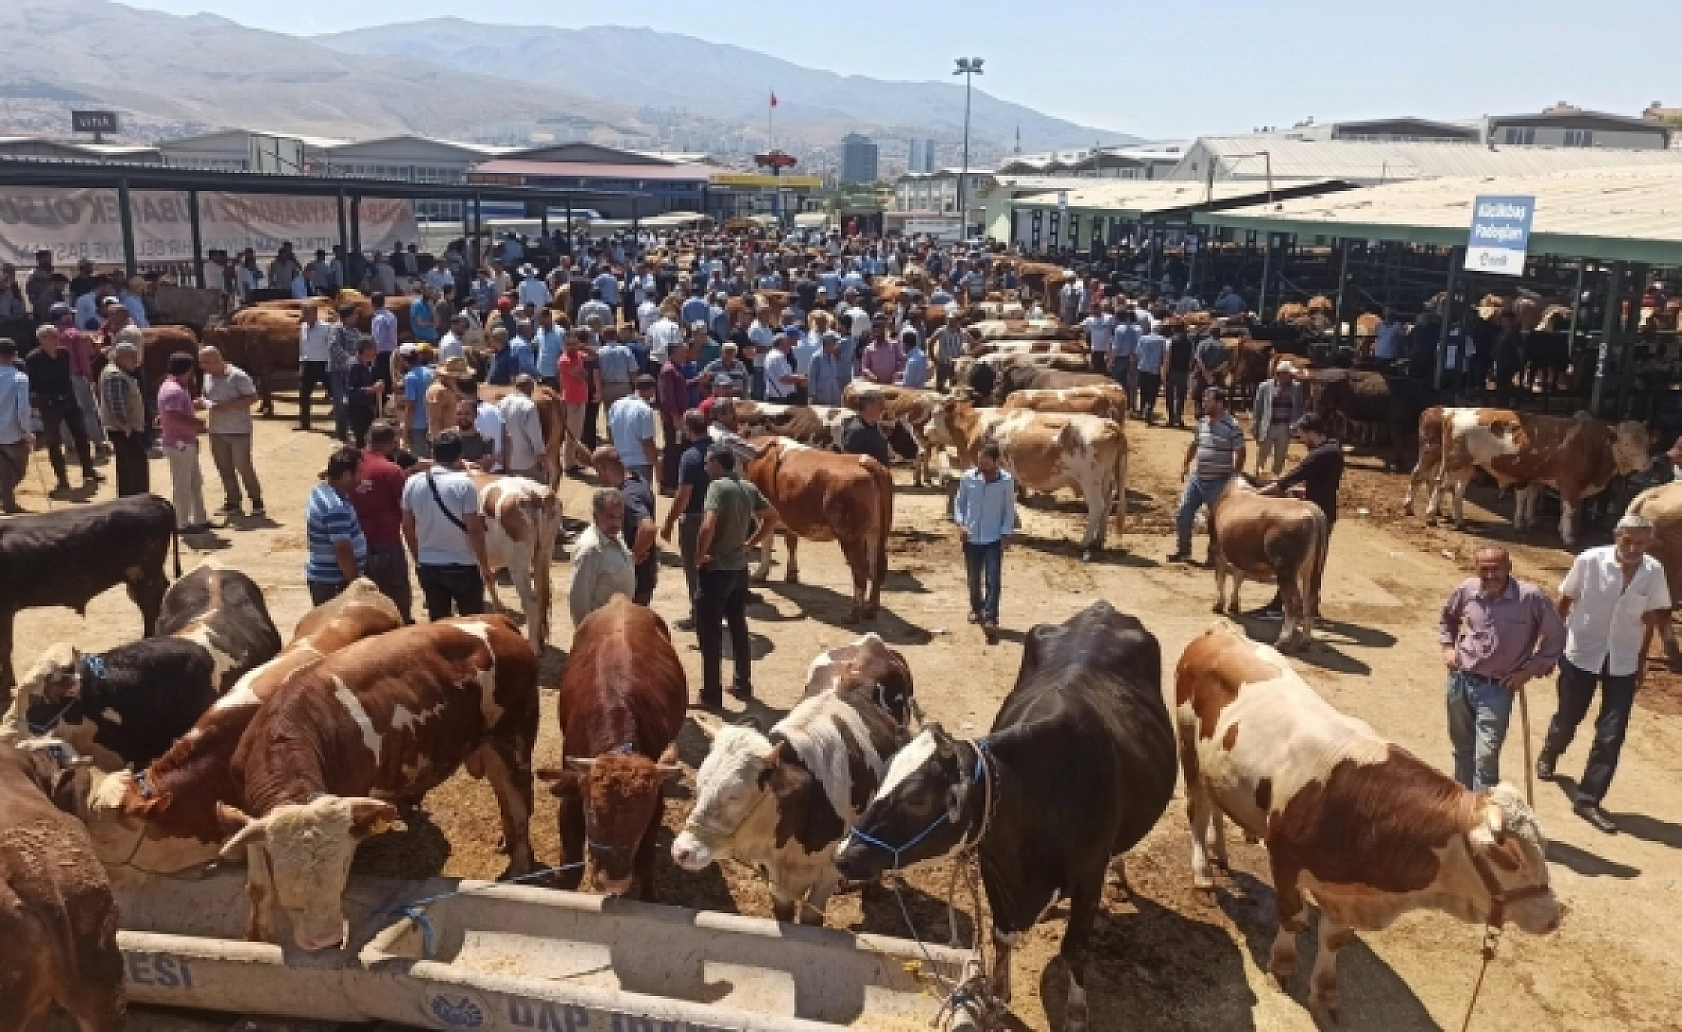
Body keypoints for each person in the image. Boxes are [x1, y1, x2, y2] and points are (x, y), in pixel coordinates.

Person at [1539, 513, 1672, 833]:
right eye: (1628, 540)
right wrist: (1552, 644)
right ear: (1617, 535)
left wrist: (1641, 662)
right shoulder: (1589, 561)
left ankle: (1588, 799)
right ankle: (1551, 751)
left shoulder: (1654, 573)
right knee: (1568, 717)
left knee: (1611, 735)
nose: (1634, 548)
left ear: (1649, 543)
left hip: (1622, 662)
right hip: (1581, 653)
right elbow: (1565, 601)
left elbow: (1651, 619)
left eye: (1641, 543)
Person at [1439, 546, 1565, 792]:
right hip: (1460, 681)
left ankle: (1483, 814)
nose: (1491, 575)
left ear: (1509, 568)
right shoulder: (1467, 590)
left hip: (1497, 689)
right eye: (1484, 569)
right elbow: (1448, 619)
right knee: (1462, 748)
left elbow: (1557, 637)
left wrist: (1530, 670)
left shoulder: (1531, 597)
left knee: (1486, 757)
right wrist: (1448, 648)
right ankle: (1462, 808)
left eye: (1496, 568)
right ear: (1476, 569)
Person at [693, 445, 781, 708]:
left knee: (710, 635)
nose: (706, 467)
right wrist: (750, 544)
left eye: (708, 462)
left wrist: (699, 555)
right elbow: (771, 517)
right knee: (738, 627)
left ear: (717, 464)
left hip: (717, 569)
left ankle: (711, 694)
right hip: (739, 569)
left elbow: (708, 524)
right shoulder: (747, 487)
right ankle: (742, 685)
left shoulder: (717, 487)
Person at [401, 430, 494, 621]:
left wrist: (418, 557)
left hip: (429, 564)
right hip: (463, 565)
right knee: (472, 622)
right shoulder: (465, 485)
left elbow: (407, 526)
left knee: (439, 623)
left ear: (433, 454)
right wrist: (484, 565)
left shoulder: (412, 482)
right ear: (460, 455)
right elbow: (474, 530)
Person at [1169, 388, 1245, 565]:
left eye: (1208, 401)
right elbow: (1194, 444)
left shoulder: (1232, 426)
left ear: (1219, 403)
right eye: (1204, 400)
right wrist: (1186, 464)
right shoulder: (1202, 422)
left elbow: (1241, 451)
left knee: (1217, 521)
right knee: (1183, 512)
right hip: (1197, 478)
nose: (1204, 403)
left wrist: (1235, 475)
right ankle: (1183, 551)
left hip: (1219, 481)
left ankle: (1215, 556)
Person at [351, 421, 416, 621]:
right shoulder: (391, 471)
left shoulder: (349, 464)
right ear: (391, 443)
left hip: (356, 544)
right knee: (398, 602)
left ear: (366, 439)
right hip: (387, 544)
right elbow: (405, 512)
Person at [27, 324, 101, 494]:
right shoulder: (33, 358)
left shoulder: (64, 354)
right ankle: (62, 480)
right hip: (49, 403)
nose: (56, 340)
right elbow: (36, 383)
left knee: (81, 436)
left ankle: (88, 471)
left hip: (68, 399)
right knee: (54, 442)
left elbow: (66, 377)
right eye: (52, 337)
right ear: (42, 340)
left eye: (56, 336)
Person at [954, 442, 1016, 643]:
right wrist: (961, 525)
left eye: (986, 461)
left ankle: (990, 618)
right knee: (973, 578)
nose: (981, 464)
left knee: (993, 580)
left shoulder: (1006, 482)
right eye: (979, 460)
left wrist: (1006, 534)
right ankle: (976, 607)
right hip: (971, 538)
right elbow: (959, 503)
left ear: (996, 462)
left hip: (993, 538)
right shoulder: (968, 478)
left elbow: (1008, 510)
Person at [198, 345, 265, 520]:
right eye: (202, 363)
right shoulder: (207, 377)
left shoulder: (238, 376)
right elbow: (205, 396)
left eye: (206, 362)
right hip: (216, 430)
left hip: (239, 430)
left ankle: (256, 500)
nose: (203, 366)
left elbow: (252, 397)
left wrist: (227, 407)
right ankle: (233, 501)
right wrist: (203, 402)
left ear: (217, 359)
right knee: (224, 467)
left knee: (243, 466)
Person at [662, 410, 714, 631]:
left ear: (688, 428)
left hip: (695, 520)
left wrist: (669, 523)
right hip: (720, 516)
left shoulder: (690, 456)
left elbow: (683, 496)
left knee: (695, 570)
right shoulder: (720, 450)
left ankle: (698, 616)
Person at [595, 446, 659, 606]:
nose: (599, 477)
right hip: (645, 575)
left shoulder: (628, 495)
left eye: (598, 472)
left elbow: (648, 528)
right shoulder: (638, 479)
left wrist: (633, 557)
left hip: (635, 579)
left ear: (603, 469)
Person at [305, 446, 367, 605]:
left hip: (324, 579)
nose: (361, 477)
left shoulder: (320, 490)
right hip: (335, 583)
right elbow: (342, 549)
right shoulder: (336, 508)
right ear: (346, 475)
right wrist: (354, 582)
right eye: (358, 472)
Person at [568, 486, 637, 626]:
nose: (616, 523)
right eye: (610, 517)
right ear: (595, 516)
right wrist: (585, 633)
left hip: (620, 622)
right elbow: (579, 598)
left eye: (620, 517)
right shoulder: (590, 549)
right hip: (601, 628)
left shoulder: (615, 535)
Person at [157, 351, 209, 533]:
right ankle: (181, 522)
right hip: (180, 444)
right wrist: (198, 424)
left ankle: (199, 519)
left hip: (184, 442)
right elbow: (172, 417)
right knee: (183, 484)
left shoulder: (173, 387)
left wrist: (192, 406)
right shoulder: (174, 391)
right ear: (188, 370)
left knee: (194, 481)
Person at [1251, 361, 1304, 476]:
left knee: (1280, 457)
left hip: (1285, 427)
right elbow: (1257, 408)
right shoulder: (1264, 387)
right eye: (1289, 374)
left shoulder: (1296, 387)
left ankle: (1275, 480)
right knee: (1262, 455)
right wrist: (1255, 426)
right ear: (1280, 374)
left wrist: (1296, 425)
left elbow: (1299, 407)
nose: (1291, 377)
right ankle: (1258, 478)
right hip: (1268, 426)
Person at [0, 337, 33, 513]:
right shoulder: (19, 378)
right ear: (15, 355)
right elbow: (22, 409)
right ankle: (7, 500)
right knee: (19, 471)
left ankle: (8, 502)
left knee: (4, 470)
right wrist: (27, 431)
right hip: (13, 432)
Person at [608, 374, 660, 484]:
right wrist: (656, 465)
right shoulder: (645, 410)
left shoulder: (616, 404)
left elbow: (611, 434)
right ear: (651, 390)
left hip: (619, 462)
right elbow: (648, 443)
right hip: (640, 464)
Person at [497, 375, 547, 481]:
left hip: (507, 462)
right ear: (531, 387)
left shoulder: (502, 402)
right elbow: (535, 436)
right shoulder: (528, 406)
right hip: (526, 463)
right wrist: (541, 457)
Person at [656, 341, 691, 492]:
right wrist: (676, 417)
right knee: (672, 450)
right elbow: (666, 398)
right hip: (673, 420)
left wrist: (697, 381)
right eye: (682, 351)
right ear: (673, 353)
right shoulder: (668, 370)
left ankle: (673, 481)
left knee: (677, 449)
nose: (685, 354)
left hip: (678, 418)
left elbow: (681, 388)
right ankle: (667, 484)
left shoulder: (676, 369)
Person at [296, 301, 334, 432]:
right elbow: (303, 347)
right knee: (303, 395)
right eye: (304, 313)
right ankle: (304, 423)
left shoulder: (326, 327)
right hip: (308, 364)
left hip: (324, 364)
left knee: (335, 394)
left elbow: (331, 347)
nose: (305, 316)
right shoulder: (303, 327)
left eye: (307, 313)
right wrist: (302, 363)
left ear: (315, 313)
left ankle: (344, 423)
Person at [344, 338, 382, 448]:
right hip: (357, 408)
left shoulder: (369, 364)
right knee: (362, 440)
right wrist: (372, 389)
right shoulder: (354, 366)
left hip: (366, 406)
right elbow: (351, 390)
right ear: (366, 350)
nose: (376, 352)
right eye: (374, 349)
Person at [842, 389, 893, 466]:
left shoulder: (877, 427)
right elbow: (849, 462)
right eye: (880, 404)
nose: (883, 408)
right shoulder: (856, 431)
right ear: (868, 406)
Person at [402, 346, 436, 458]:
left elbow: (410, 407)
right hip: (432, 422)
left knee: (420, 460)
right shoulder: (432, 373)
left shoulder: (410, 378)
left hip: (417, 426)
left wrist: (406, 432)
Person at [1134, 317, 1169, 424]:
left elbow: (1138, 354)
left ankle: (1142, 410)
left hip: (1142, 368)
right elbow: (1164, 356)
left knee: (1143, 391)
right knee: (1152, 393)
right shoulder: (1163, 340)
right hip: (1155, 371)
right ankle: (1149, 411)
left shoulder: (1143, 338)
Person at [1165, 323, 1195, 428]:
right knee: (1181, 396)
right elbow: (1191, 358)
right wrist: (1188, 369)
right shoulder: (1189, 342)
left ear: (1174, 329)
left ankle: (1171, 418)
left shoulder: (1171, 341)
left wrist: (1165, 372)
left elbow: (1168, 357)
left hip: (1172, 371)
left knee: (1170, 395)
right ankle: (1179, 417)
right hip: (1183, 372)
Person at [932, 313, 966, 392]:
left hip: (955, 365)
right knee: (939, 386)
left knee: (954, 387)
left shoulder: (962, 332)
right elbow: (931, 342)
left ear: (957, 322)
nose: (950, 322)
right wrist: (933, 358)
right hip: (943, 363)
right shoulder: (941, 331)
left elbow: (973, 342)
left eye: (952, 321)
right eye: (949, 320)